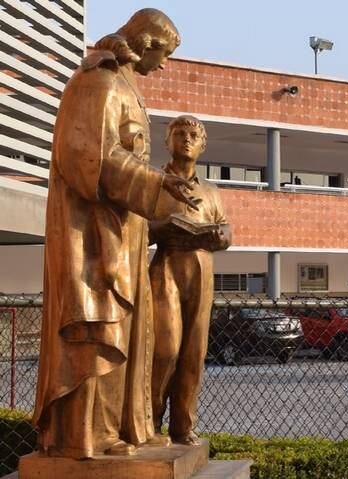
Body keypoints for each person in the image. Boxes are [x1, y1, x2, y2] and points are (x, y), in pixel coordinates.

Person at [32, 9, 196, 458]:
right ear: (146, 42)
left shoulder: (126, 85)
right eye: (164, 54)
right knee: (102, 329)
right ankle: (92, 436)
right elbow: (88, 156)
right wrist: (154, 181)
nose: (164, 65)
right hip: (93, 235)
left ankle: (127, 428)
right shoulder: (98, 80)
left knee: (129, 329)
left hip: (125, 230)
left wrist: (158, 185)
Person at [150, 116, 232, 445]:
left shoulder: (211, 191)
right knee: (164, 350)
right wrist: (160, 228)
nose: (186, 139)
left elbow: (226, 231)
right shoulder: (153, 182)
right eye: (179, 134)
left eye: (193, 135)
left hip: (201, 268)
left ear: (202, 145)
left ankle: (183, 427)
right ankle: (149, 423)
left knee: (193, 353)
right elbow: (134, 231)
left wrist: (216, 234)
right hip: (166, 266)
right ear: (167, 141)